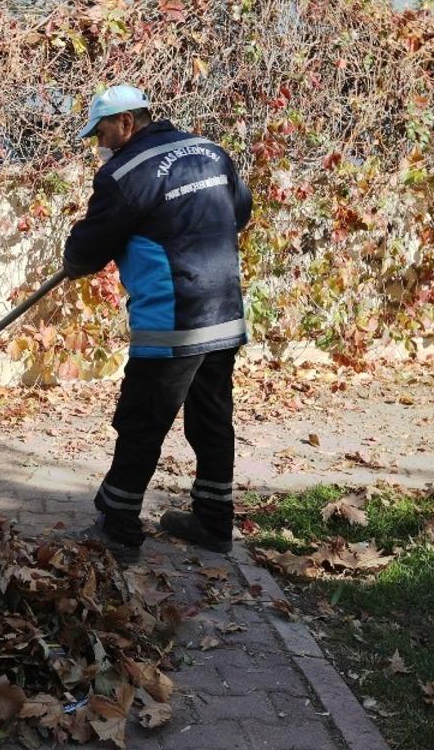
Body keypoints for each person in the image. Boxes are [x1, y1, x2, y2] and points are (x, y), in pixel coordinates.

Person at [62, 84, 253, 561]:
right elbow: (241, 212)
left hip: (173, 319)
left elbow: (86, 251)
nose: (100, 143)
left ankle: (119, 525)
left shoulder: (124, 174)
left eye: (102, 132)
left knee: (143, 419)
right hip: (223, 311)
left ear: (127, 122)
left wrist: (78, 256)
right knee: (211, 416)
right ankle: (214, 520)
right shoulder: (211, 152)